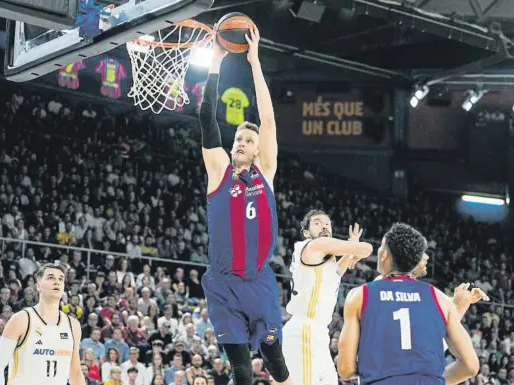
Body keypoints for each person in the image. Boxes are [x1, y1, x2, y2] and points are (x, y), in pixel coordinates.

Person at [198, 26, 290, 385]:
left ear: (257, 149)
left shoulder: (264, 172)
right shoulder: (219, 170)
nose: (241, 142)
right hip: (221, 283)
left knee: (275, 363)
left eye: (248, 140)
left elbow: (267, 121)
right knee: (239, 371)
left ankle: (280, 368)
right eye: (238, 137)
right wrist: (216, 63)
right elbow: (206, 117)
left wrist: (254, 63)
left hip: (259, 281)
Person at [337, 223, 480, 385]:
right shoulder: (440, 298)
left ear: (385, 254)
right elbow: (471, 366)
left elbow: (346, 369)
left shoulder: (359, 296)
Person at [282, 210, 373, 385]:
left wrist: (351, 253)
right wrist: (354, 249)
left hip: (318, 332)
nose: (324, 226)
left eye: (327, 223)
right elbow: (367, 249)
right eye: (317, 222)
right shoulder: (314, 245)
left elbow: (338, 271)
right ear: (307, 232)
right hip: (304, 329)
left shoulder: (324, 260)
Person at [0, 263, 85, 385]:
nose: (57, 282)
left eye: (61, 279)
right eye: (51, 278)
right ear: (38, 286)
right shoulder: (22, 319)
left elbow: (75, 372)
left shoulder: (73, 325)